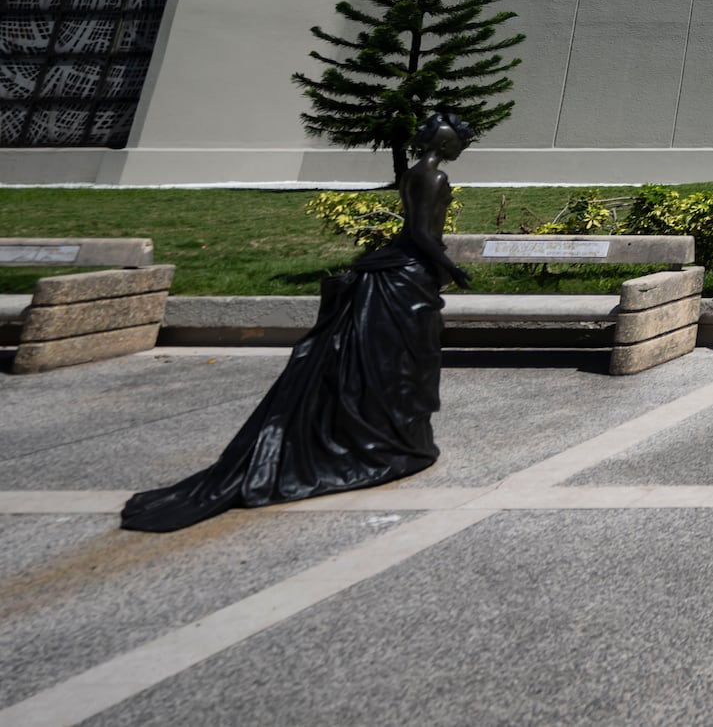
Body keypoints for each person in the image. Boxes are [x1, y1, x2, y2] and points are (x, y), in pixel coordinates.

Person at [121, 114, 475, 533]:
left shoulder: (415, 173)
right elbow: (421, 233)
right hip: (408, 276)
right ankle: (394, 441)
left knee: (396, 364)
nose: (459, 150)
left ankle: (396, 438)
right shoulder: (432, 179)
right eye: (457, 143)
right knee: (400, 364)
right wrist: (452, 268)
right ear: (444, 142)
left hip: (402, 275)